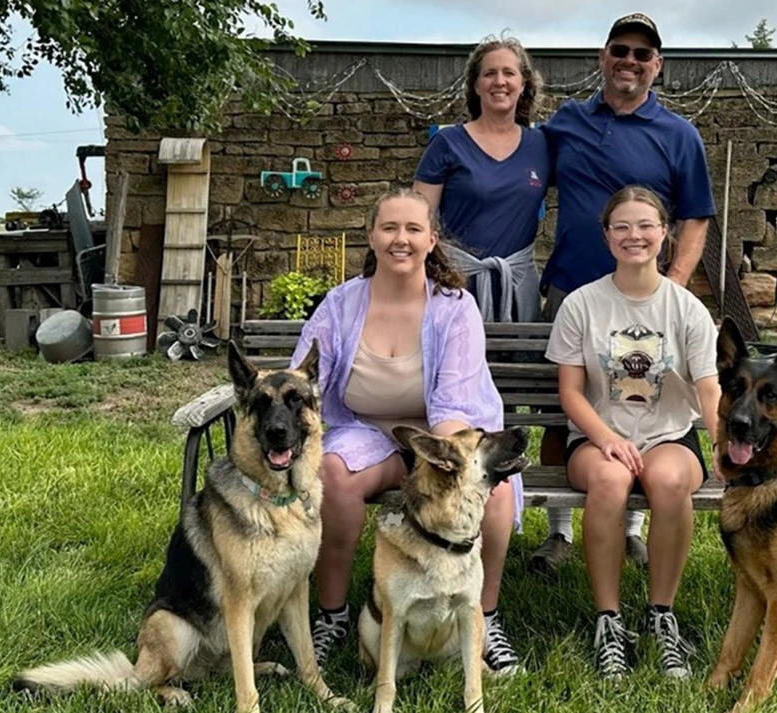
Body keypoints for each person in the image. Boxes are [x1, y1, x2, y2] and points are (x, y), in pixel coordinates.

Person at [289, 188, 523, 676]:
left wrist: (446, 462)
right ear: (371, 236)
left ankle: (485, 618)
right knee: (333, 473)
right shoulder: (340, 305)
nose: (401, 239)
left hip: (445, 436)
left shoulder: (455, 307)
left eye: (414, 229)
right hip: (366, 431)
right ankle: (332, 614)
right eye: (390, 228)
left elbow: (455, 405)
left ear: (432, 240)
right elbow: (303, 380)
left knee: (496, 492)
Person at [531, 11, 717, 572]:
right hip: (572, 292)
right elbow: (517, 170)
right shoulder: (566, 123)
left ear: (657, 66)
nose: (629, 61)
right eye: (620, 50)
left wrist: (671, 288)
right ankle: (559, 533)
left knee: (641, 396)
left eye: (642, 54)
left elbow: (696, 217)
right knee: (558, 410)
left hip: (646, 301)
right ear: (603, 56)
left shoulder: (679, 135)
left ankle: (631, 528)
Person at [544, 186, 721, 679]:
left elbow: (708, 388)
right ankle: (609, 621)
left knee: (668, 480)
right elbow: (570, 394)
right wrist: (606, 438)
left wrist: (723, 443)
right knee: (610, 480)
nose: (634, 236)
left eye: (645, 225)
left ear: (664, 233)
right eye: (621, 226)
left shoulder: (687, 308)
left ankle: (661, 615)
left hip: (669, 435)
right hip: (598, 436)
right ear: (606, 236)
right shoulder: (581, 304)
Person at [413, 36, 549, 323]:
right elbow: (417, 222)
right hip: (455, 285)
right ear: (475, 85)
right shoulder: (448, 143)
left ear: (523, 84)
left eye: (509, 73)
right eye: (489, 73)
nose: (500, 81)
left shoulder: (542, 145)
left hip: (517, 290)